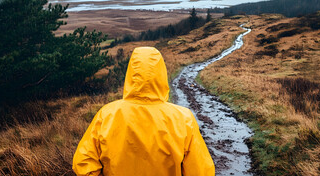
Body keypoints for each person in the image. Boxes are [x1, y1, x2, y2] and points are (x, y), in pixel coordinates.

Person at [73, 47, 215, 176]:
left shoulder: (107, 114)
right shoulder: (183, 118)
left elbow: (84, 163)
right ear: (161, 72)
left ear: (131, 72)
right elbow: (201, 171)